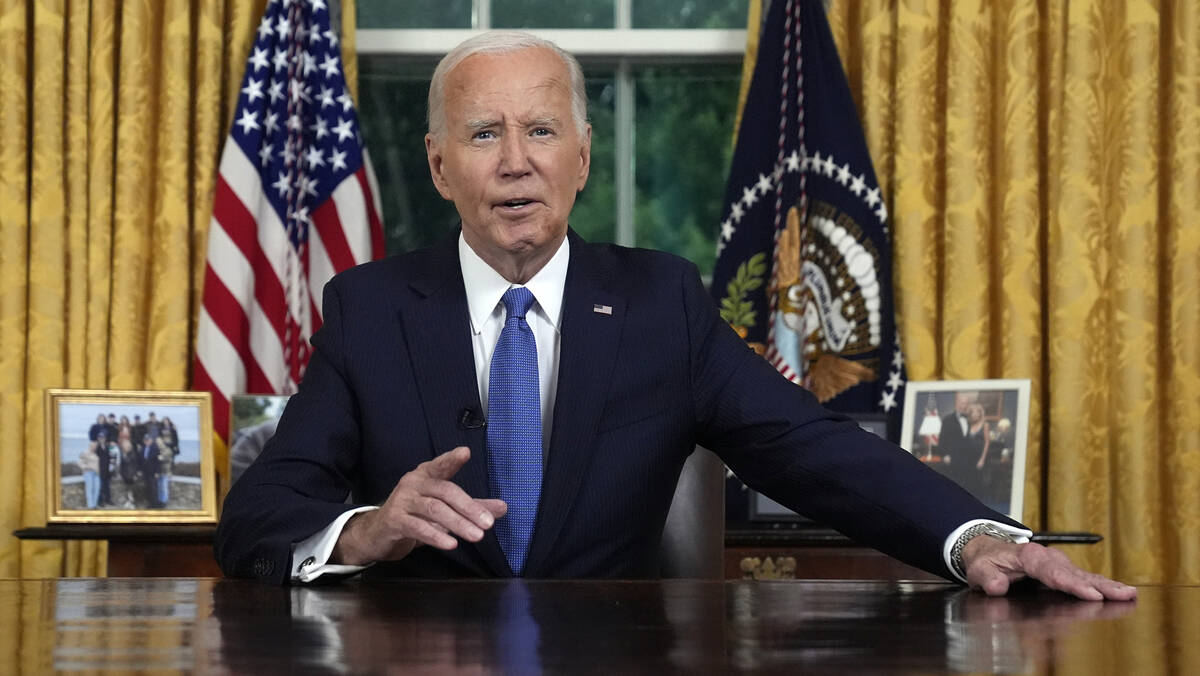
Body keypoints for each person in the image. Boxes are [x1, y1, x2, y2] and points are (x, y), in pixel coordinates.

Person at [216, 32, 1134, 602]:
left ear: (582, 157)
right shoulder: (371, 309)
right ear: (438, 164)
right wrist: (368, 529)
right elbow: (259, 515)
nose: (514, 163)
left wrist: (979, 539)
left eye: (540, 132)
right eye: (482, 134)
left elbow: (818, 452)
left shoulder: (662, 303)